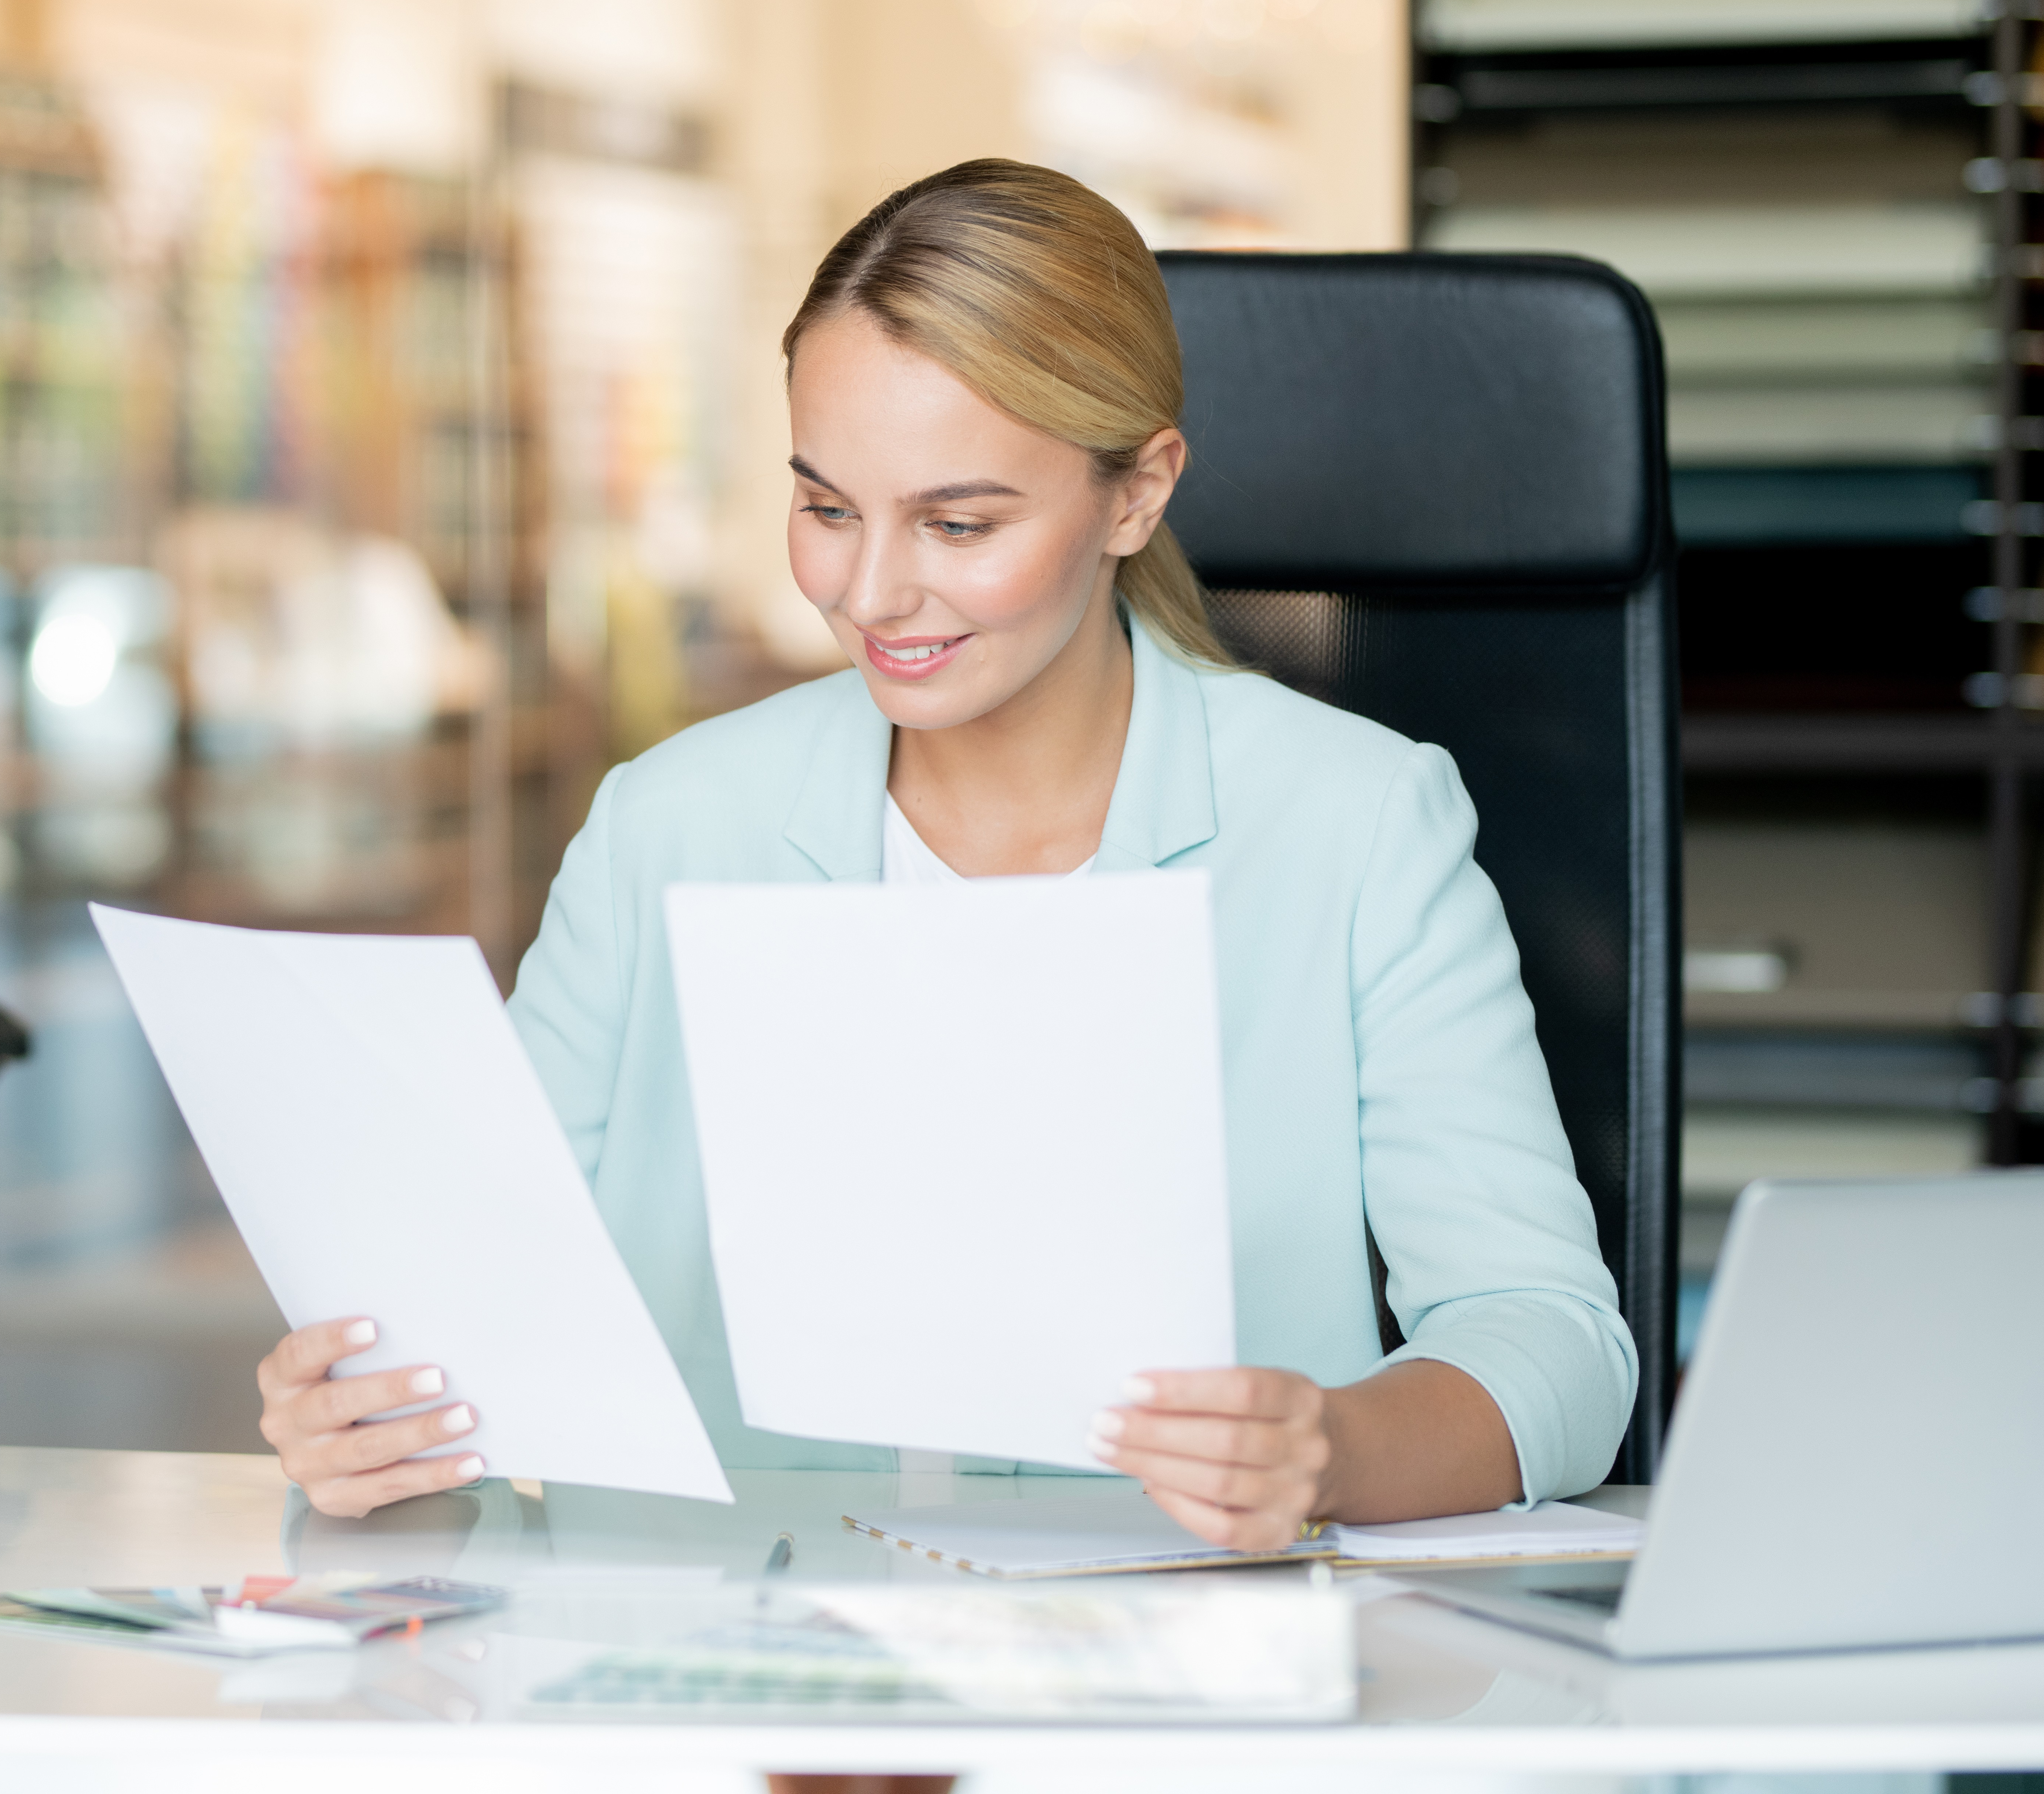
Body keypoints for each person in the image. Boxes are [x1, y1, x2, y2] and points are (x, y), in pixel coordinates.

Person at [253, 159, 1635, 1549]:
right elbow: (478, 1309)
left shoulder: (1353, 826)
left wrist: (1333, 1449)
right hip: (737, 1682)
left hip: (1169, 1695)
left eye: (959, 524)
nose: (869, 596)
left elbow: (1557, 1348)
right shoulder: (667, 828)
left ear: (1139, 493)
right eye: (827, 508)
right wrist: (374, 1419)